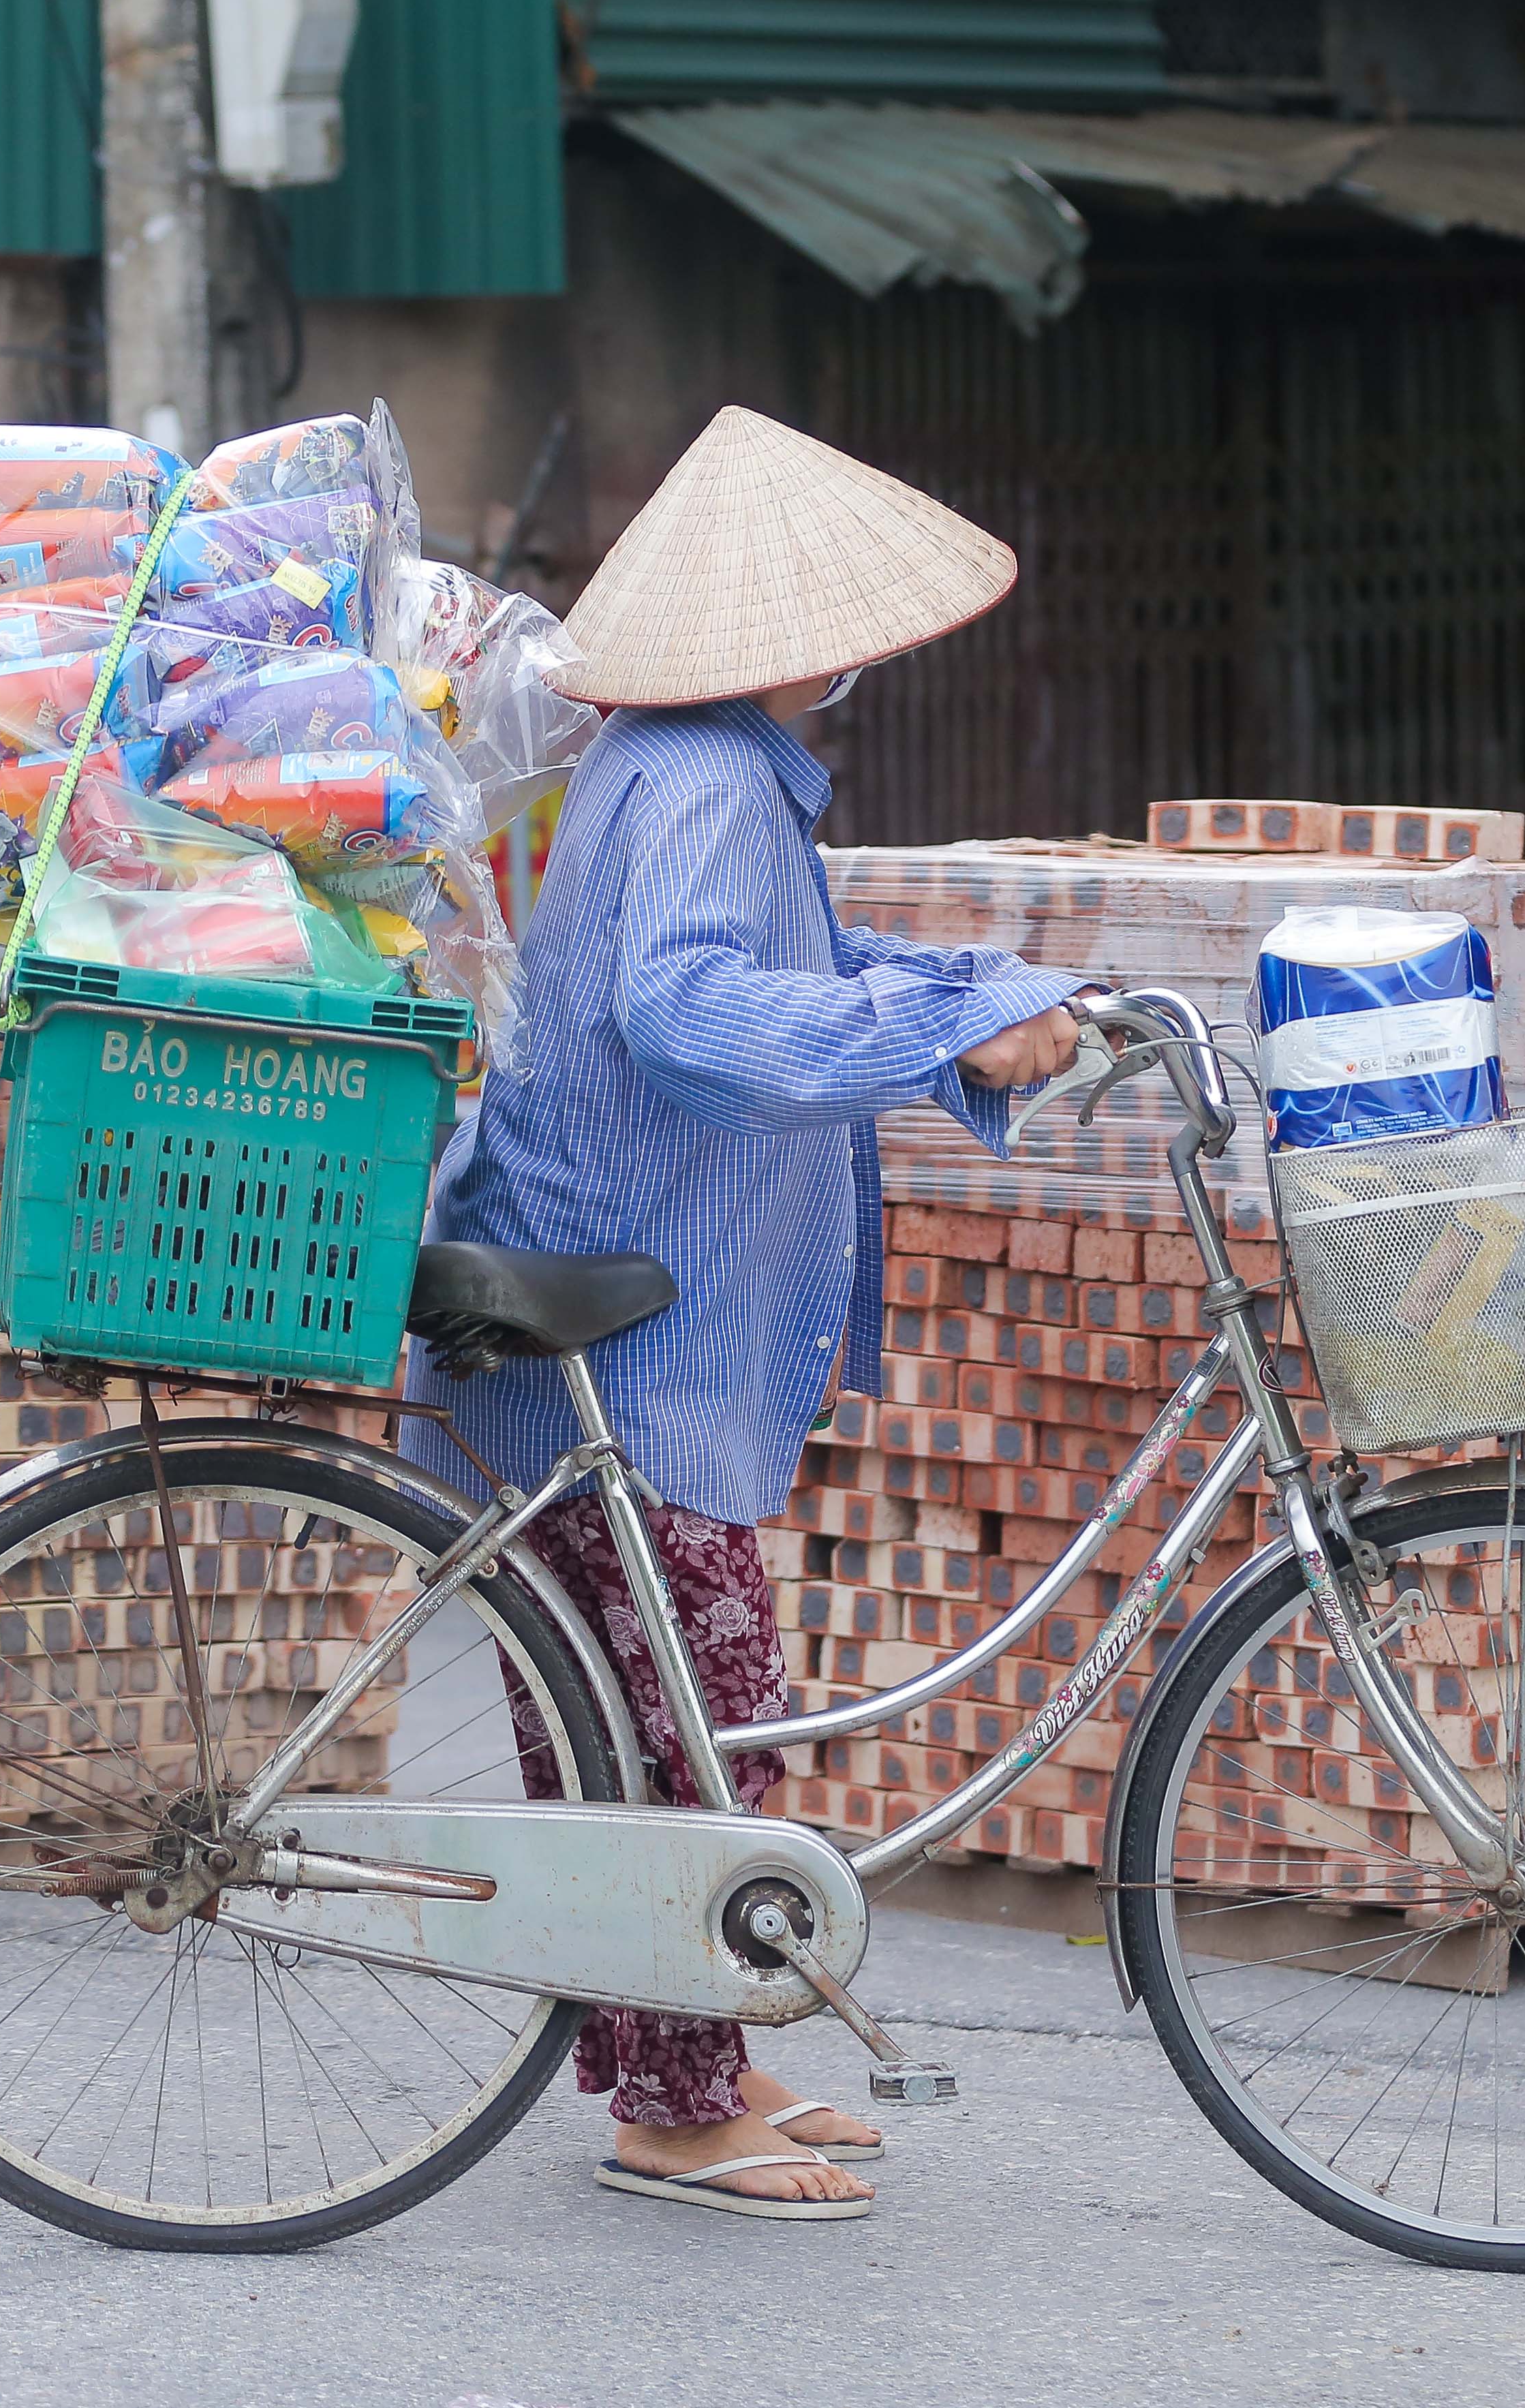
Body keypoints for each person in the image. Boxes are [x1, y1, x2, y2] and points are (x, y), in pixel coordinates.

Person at [405, 406, 1089, 2225]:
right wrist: (940, 1031)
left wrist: (981, 998)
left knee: (616, 1717)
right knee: (705, 1725)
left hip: (606, 1312)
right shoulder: (707, 783)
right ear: (783, 641)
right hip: (633, 1332)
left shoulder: (688, 765)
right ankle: (679, 2111)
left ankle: (668, 2058)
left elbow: (809, 971)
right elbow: (703, 1019)